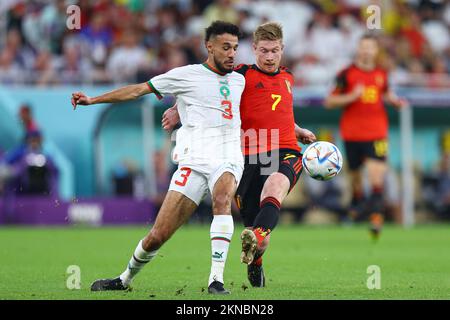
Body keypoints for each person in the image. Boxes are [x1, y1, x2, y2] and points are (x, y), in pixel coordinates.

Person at [71, 21, 245, 295]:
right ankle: (124, 279)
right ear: (209, 46)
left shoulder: (240, 78)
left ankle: (216, 281)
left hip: (228, 156)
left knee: (222, 198)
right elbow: (137, 90)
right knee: (157, 236)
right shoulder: (185, 76)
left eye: (235, 48)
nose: (232, 53)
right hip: (194, 160)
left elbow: (264, 105)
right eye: (226, 47)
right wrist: (93, 100)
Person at [163, 22, 317, 288]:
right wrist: (178, 107)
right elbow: (205, 85)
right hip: (246, 156)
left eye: (275, 51)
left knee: (275, 186)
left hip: (286, 150)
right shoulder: (240, 76)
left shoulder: (288, 78)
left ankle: (255, 236)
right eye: (265, 51)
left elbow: (279, 113)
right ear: (254, 49)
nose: (270, 57)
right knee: (262, 237)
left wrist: (299, 129)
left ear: (282, 49)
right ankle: (256, 258)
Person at [324, 34, 408, 239]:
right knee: (355, 178)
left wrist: (394, 101)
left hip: (377, 133)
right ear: (358, 49)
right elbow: (330, 101)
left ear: (376, 50)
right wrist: (352, 96)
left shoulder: (382, 74)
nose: (367, 51)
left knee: (376, 176)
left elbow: (386, 93)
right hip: (352, 134)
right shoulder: (346, 74)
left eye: (371, 47)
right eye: (363, 47)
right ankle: (358, 202)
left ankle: (376, 218)